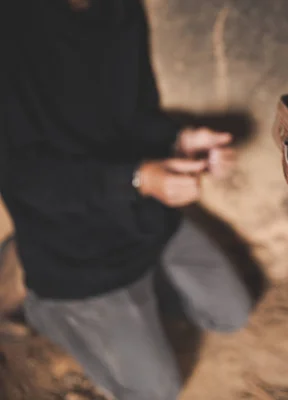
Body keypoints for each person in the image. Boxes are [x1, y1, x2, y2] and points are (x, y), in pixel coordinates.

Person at [0, 1, 251, 399]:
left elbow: (135, 115)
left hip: (143, 216)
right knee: (156, 392)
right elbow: (26, 178)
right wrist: (138, 178)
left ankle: (132, 295)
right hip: (73, 243)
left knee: (230, 316)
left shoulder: (119, 10)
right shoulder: (12, 27)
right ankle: (42, 300)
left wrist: (180, 141)